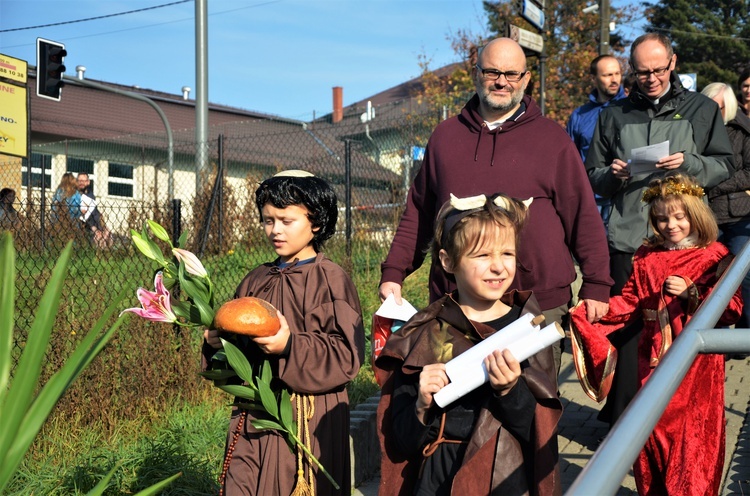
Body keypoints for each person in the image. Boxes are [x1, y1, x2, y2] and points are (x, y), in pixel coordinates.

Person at [379, 37, 613, 375]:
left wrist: (596, 284)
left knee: (533, 413)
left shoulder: (552, 140)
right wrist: (394, 272)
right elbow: (418, 211)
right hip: (457, 306)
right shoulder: (445, 138)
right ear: (476, 74)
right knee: (458, 411)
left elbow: (583, 216)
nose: (501, 81)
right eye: (492, 71)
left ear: (526, 79)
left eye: (511, 74)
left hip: (536, 305)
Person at [585, 32, 733, 425]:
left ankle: (677, 417)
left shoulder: (701, 108)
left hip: (684, 243)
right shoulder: (612, 115)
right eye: (641, 72)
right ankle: (624, 423)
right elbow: (592, 175)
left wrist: (691, 163)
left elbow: (725, 164)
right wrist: (612, 175)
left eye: (658, 70)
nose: (649, 78)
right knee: (631, 331)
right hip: (630, 238)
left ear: (674, 62)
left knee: (678, 329)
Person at [375, 192, 562, 495]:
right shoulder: (424, 333)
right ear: (448, 261)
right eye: (482, 255)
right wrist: (422, 404)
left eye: (507, 254)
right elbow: (401, 442)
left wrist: (510, 392)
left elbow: (541, 433)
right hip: (439, 479)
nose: (498, 267)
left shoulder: (528, 329)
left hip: (504, 478)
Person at [569, 173, 742, 496]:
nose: (670, 225)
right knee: (651, 435)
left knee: (691, 446)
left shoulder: (714, 256)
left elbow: (731, 308)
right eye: (661, 219)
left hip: (695, 372)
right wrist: (596, 310)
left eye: (679, 217)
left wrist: (692, 294)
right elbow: (631, 301)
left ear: (695, 214)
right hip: (650, 365)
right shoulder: (647, 255)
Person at [202, 170, 365, 496]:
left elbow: (346, 355)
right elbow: (231, 359)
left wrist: (290, 346)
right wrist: (217, 344)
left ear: (315, 222)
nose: (275, 230)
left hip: (306, 419)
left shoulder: (330, 280)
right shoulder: (254, 279)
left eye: (286, 221)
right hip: (253, 417)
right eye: (267, 220)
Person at [701, 82, 750, 341]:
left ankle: (744, 335)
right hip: (707, 216)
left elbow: (749, 172)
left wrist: (716, 184)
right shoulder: (698, 130)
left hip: (739, 215)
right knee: (711, 277)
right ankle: (717, 337)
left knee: (742, 276)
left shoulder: (742, 131)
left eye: (717, 108)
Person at [567, 54, 627, 225]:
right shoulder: (580, 115)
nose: (614, 79)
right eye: (608, 75)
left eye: (617, 74)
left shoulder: (632, 110)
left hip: (624, 196)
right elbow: (571, 159)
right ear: (594, 79)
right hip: (590, 199)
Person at [76, 173, 112, 248]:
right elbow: (83, 216)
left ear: (88, 182)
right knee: (99, 237)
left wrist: (102, 226)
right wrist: (94, 228)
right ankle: (98, 254)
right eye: (79, 181)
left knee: (108, 233)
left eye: (84, 181)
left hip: (96, 223)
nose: (81, 183)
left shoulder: (90, 194)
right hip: (86, 226)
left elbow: (95, 212)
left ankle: (106, 255)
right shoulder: (77, 196)